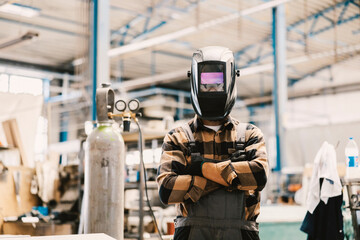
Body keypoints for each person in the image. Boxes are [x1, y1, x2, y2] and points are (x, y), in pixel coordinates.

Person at [157, 46, 269, 240]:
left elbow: (259, 176)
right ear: (194, 82)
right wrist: (232, 178)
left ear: (231, 81)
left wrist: (200, 169)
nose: (211, 90)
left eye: (217, 84)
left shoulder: (250, 134)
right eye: (206, 85)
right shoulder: (178, 137)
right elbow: (167, 190)